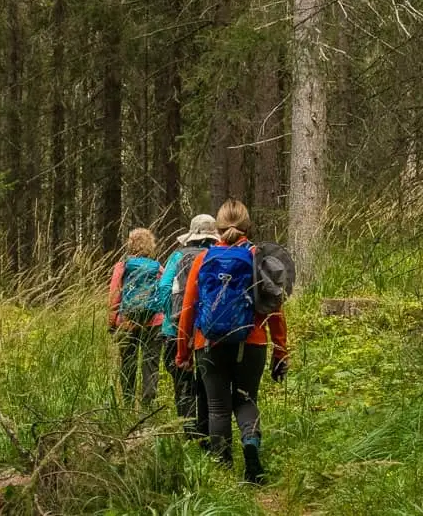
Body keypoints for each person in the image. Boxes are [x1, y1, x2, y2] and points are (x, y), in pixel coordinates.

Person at [176, 200, 289, 484]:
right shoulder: (258, 257)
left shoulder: (204, 259)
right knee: (246, 400)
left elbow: (188, 308)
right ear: (247, 226)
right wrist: (280, 351)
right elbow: (274, 308)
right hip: (251, 341)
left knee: (217, 407)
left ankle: (222, 469)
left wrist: (183, 352)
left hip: (208, 342)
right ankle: (251, 449)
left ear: (218, 227)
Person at [158, 214, 218, 436]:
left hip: (175, 329)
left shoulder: (177, 256)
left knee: (182, 381)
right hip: (207, 331)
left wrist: (172, 314)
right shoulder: (215, 255)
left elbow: (164, 288)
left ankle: (189, 431)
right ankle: (206, 432)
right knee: (206, 382)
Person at [107, 228, 164, 408]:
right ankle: (148, 407)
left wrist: (112, 322)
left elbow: (114, 295)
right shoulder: (158, 268)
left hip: (127, 322)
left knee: (128, 363)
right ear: (151, 245)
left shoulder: (122, 266)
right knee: (151, 364)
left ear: (130, 244)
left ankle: (128, 403)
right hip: (154, 322)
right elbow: (163, 294)